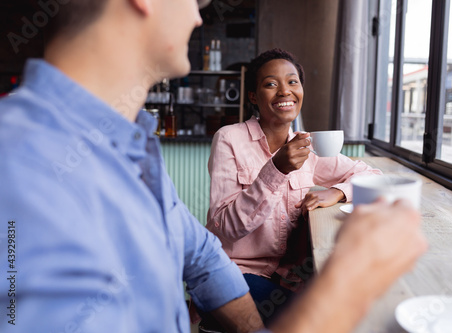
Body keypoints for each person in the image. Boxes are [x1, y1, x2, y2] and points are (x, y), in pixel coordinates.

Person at [0, 1, 426, 333]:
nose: (197, 17)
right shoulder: (22, 163)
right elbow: (221, 236)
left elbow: (203, 256)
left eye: (293, 81)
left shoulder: (130, 142)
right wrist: (346, 287)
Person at [206, 48, 382, 323]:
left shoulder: (307, 147)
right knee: (319, 317)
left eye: (292, 82)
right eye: (270, 84)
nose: (284, 91)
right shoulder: (229, 139)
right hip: (235, 273)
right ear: (253, 96)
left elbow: (372, 174)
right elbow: (224, 228)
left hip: (286, 279)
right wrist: (277, 169)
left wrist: (337, 192)